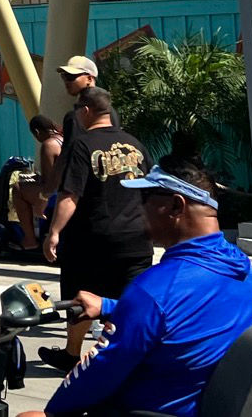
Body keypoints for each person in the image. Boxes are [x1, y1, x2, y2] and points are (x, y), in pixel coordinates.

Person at [24, 160, 252, 417]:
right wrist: (111, 307)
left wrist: (52, 411)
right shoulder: (243, 269)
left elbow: (97, 373)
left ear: (176, 205)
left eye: (145, 198)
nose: (138, 209)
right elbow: (188, 314)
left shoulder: (154, 290)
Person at [40, 86, 152, 372]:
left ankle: (72, 354)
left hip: (92, 241)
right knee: (127, 300)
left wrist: (53, 232)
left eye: (78, 110)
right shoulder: (135, 144)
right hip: (136, 240)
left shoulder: (81, 144)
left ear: (86, 110)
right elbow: (151, 191)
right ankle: (121, 354)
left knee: (82, 297)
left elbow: (70, 195)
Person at [11, 114, 63, 252]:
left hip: (57, 193)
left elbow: (48, 181)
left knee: (17, 189)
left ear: (37, 132)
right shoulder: (63, 139)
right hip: (70, 188)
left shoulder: (49, 145)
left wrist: (32, 179)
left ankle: (29, 239)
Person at [55, 55, 117, 142]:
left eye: (71, 76)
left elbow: (72, 152)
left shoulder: (74, 116)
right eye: (64, 76)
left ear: (89, 78)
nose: (66, 81)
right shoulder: (110, 111)